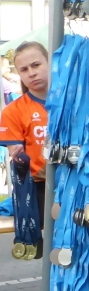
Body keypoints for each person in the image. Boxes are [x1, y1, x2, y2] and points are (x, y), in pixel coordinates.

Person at [0, 42, 49, 226]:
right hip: (38, 190)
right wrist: (19, 157)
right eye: (24, 69)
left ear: (50, 63)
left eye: (36, 65)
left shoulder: (72, 104)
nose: (31, 73)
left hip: (77, 185)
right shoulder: (13, 111)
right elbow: (17, 153)